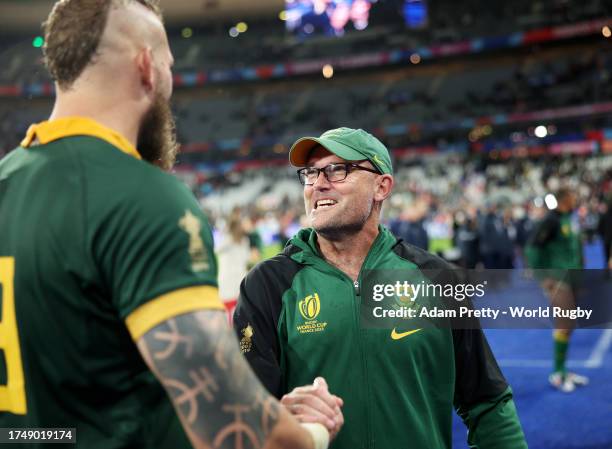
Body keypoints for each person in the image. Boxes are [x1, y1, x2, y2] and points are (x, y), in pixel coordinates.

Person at [0, 1, 342, 448]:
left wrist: (262, 410)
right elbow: (227, 430)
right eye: (169, 64)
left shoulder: (8, 181)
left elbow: (87, 394)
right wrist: (311, 433)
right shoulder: (142, 197)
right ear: (147, 66)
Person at [234, 127, 527, 449]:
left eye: (337, 169)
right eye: (310, 173)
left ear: (381, 186)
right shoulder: (267, 284)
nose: (318, 183)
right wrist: (279, 416)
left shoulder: (437, 278)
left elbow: (487, 401)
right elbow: (242, 415)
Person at [526, 188, 589, 392]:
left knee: (569, 324)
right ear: (564, 200)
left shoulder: (569, 218)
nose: (576, 199)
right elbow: (532, 249)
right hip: (558, 279)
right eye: (573, 196)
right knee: (564, 324)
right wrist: (543, 278)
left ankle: (563, 370)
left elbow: (575, 247)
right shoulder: (551, 220)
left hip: (572, 278)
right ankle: (557, 373)